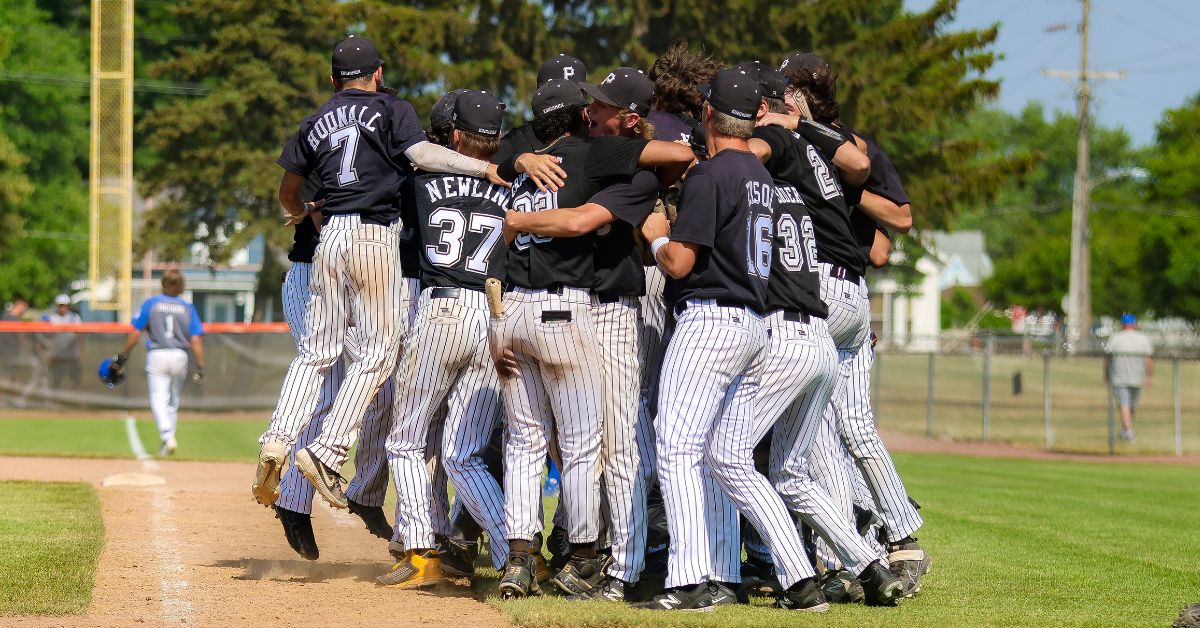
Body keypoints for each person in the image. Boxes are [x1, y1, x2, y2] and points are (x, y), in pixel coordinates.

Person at [252, 36, 525, 510]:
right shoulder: (392, 108)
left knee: (316, 352)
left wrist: (300, 212)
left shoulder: (314, 120)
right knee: (377, 356)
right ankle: (328, 450)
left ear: (334, 78)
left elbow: (288, 188)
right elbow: (423, 157)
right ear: (377, 73)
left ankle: (276, 440)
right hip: (375, 237)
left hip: (330, 235)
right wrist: (483, 171)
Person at [631, 67, 816, 612]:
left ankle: (688, 581)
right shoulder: (762, 176)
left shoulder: (712, 175)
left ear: (708, 114)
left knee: (678, 448)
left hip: (711, 320)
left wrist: (657, 234)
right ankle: (744, 573)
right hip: (755, 324)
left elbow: (682, 262)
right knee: (722, 453)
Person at [774, 50, 930, 594]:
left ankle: (842, 560)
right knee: (850, 425)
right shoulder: (825, 142)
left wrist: (835, 191)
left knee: (824, 431)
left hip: (825, 286)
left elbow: (898, 222)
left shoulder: (844, 144)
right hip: (850, 294)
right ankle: (901, 533)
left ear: (798, 94)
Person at [378, 90, 512, 589]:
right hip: (495, 316)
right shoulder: (514, 182)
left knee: (407, 439)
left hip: (443, 308)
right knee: (466, 452)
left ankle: (421, 553)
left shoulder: (423, 178)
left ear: (454, 136)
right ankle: (514, 554)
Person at [112, 270, 205, 456]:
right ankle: (168, 438)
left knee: (158, 398)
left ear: (163, 284)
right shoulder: (187, 307)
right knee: (174, 400)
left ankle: (167, 435)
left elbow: (135, 332)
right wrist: (201, 365)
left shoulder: (152, 304)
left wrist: (124, 355)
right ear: (181, 286)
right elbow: (195, 339)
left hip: (158, 353)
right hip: (180, 355)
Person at [1105, 313, 1153, 441]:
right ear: (1134, 324)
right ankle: (1128, 431)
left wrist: (1106, 374)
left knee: (1129, 406)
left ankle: (1126, 430)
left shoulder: (1117, 338)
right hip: (1126, 377)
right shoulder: (1140, 338)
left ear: (1123, 325)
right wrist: (1149, 376)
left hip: (1128, 377)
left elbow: (1108, 359)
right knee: (1125, 405)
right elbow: (1148, 359)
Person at [41, 295, 84, 392]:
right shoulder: (52, 318)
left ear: (68, 306)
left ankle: (80, 403)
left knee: (76, 381)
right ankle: (56, 403)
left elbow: (80, 337)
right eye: (60, 305)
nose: (62, 308)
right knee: (56, 380)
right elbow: (49, 338)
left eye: (64, 305)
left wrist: (81, 352)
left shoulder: (75, 318)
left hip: (72, 355)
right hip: (58, 355)